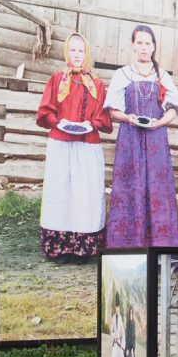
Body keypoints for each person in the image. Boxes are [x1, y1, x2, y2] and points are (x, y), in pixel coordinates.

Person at [104, 25, 178, 248]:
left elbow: (175, 108)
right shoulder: (122, 75)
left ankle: (158, 244)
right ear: (133, 46)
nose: (143, 47)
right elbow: (112, 110)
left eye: (147, 43)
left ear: (154, 47)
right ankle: (127, 244)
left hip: (156, 140)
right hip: (130, 139)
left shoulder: (162, 76)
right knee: (131, 185)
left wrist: (159, 122)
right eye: (139, 42)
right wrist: (128, 118)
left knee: (157, 188)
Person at [35, 33, 113, 261]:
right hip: (61, 144)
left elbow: (103, 118)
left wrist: (91, 124)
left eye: (81, 51)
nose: (76, 55)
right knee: (60, 192)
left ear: (87, 53)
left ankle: (83, 249)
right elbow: (45, 111)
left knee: (85, 194)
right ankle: (59, 248)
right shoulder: (57, 79)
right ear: (66, 52)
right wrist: (59, 122)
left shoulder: (97, 84)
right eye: (72, 50)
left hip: (87, 147)